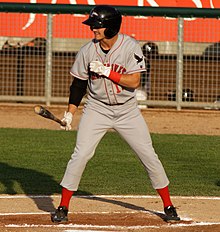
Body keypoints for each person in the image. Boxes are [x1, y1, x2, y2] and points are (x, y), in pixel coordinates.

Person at [51, 5, 180, 223]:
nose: (93, 30)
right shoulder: (87, 50)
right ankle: (63, 207)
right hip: (97, 109)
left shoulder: (130, 47)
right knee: (81, 154)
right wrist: (70, 113)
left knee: (148, 155)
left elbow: (135, 81)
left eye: (97, 26)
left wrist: (107, 72)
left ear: (110, 27)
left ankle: (168, 205)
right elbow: (78, 85)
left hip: (127, 111)